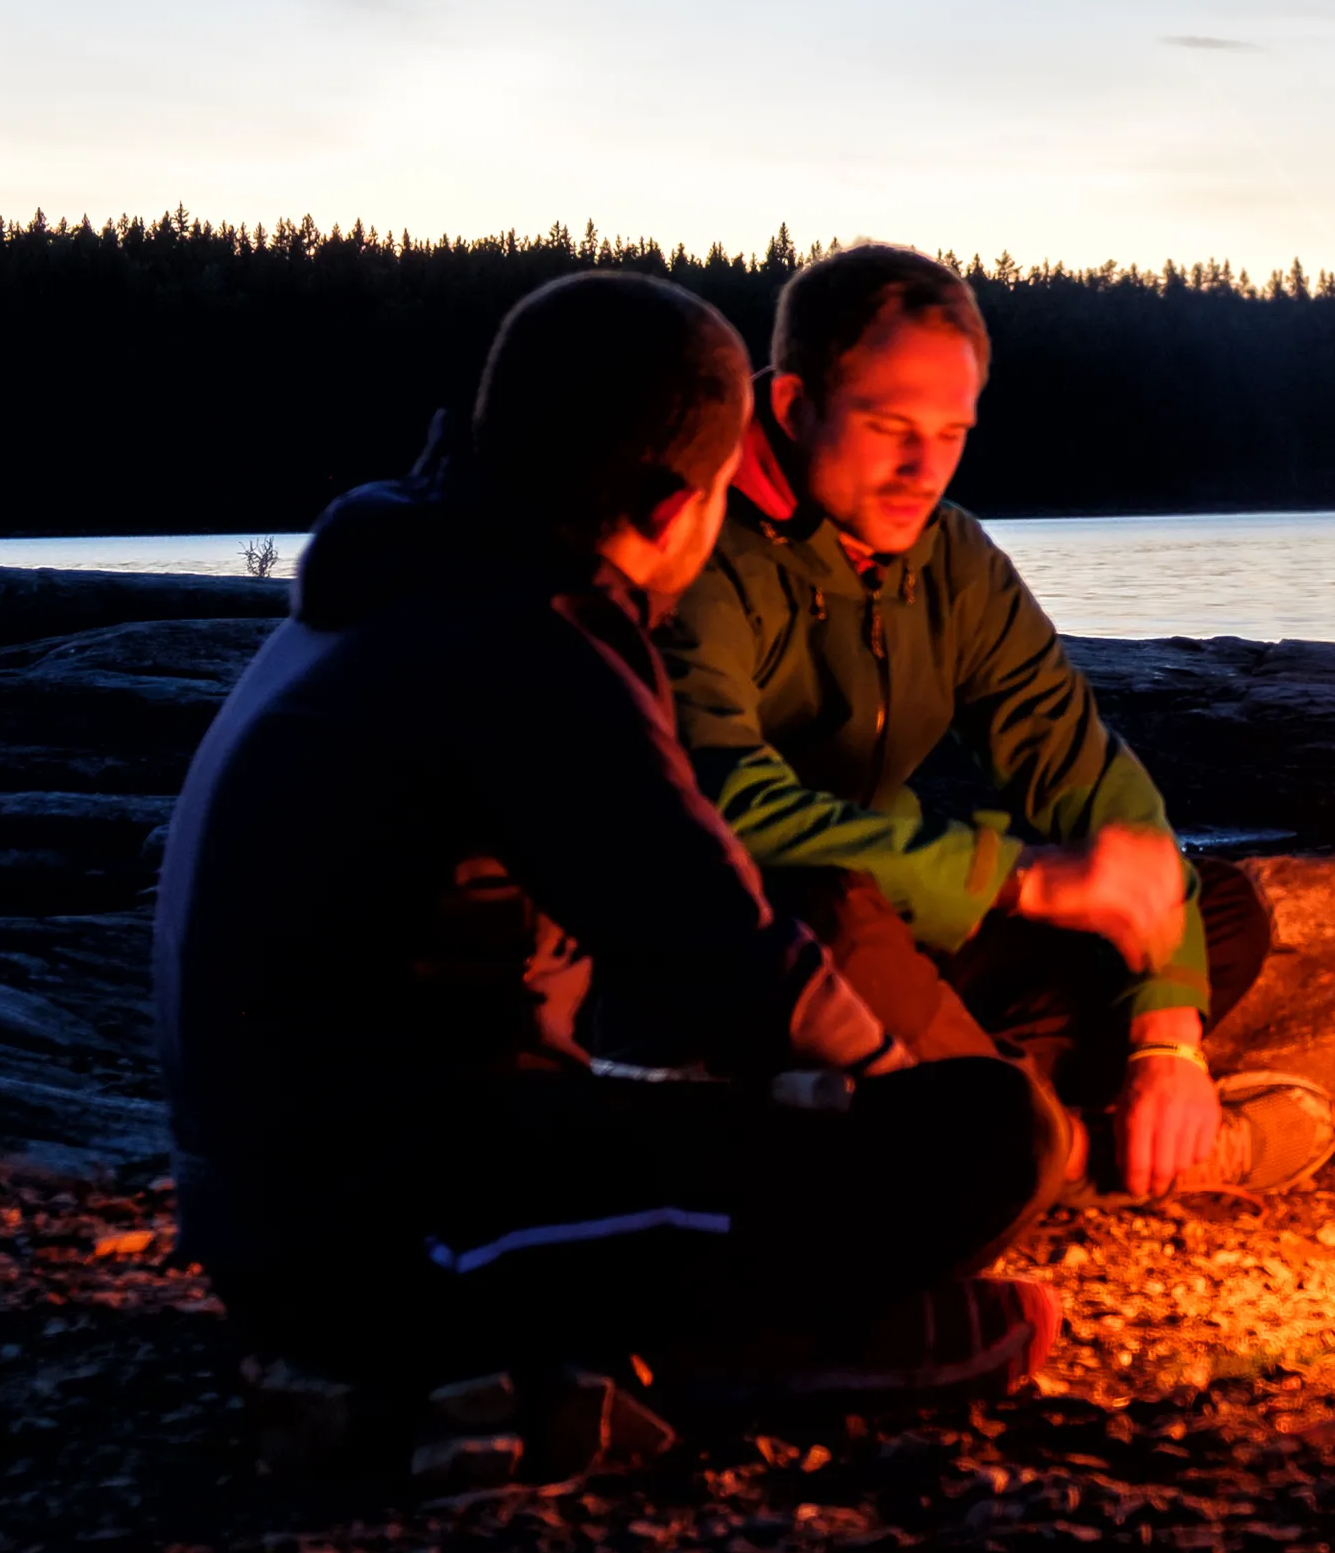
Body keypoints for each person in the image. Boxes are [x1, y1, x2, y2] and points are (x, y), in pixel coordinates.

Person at [154, 273, 1064, 1485]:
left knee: (821, 1126)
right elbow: (717, 939)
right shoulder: (524, 636)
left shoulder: (408, 582)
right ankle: (737, 1361)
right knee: (991, 1138)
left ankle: (614, 1329)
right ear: (674, 497)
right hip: (377, 1235)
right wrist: (892, 1107)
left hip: (295, 1199)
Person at [659, 244, 1330, 1205]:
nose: (921, 469)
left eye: (952, 433)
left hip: (902, 940)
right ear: (795, 405)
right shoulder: (696, 541)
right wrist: (1014, 877)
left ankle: (958, 1118)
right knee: (832, 914)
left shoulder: (950, 559)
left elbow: (1086, 771)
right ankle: (1050, 1155)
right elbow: (720, 807)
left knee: (1204, 906)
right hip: (731, 949)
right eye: (889, 426)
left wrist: (1167, 1035)